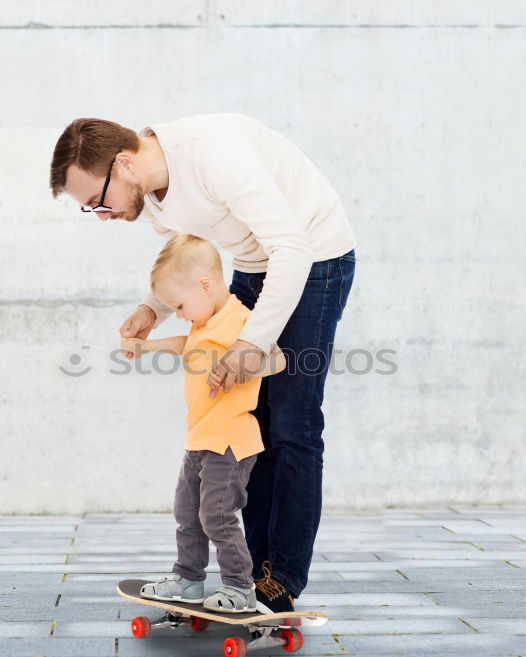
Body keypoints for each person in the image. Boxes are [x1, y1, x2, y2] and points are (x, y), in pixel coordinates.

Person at [51, 113, 356, 611]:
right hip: (256, 265)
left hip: (314, 259)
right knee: (247, 420)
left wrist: (253, 341)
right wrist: (153, 308)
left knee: (293, 422)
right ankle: (248, 576)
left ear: (123, 163)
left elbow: (293, 248)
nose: (102, 216)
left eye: (96, 202)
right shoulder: (149, 196)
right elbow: (188, 266)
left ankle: (281, 579)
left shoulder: (212, 156)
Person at [120, 234, 285, 613]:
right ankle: (189, 579)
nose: (177, 312)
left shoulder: (240, 320)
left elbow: (276, 360)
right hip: (199, 440)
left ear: (205, 286)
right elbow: (185, 345)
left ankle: (241, 588)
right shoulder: (204, 321)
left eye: (179, 304)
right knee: (187, 512)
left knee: (217, 515)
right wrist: (147, 347)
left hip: (229, 443)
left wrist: (243, 365)